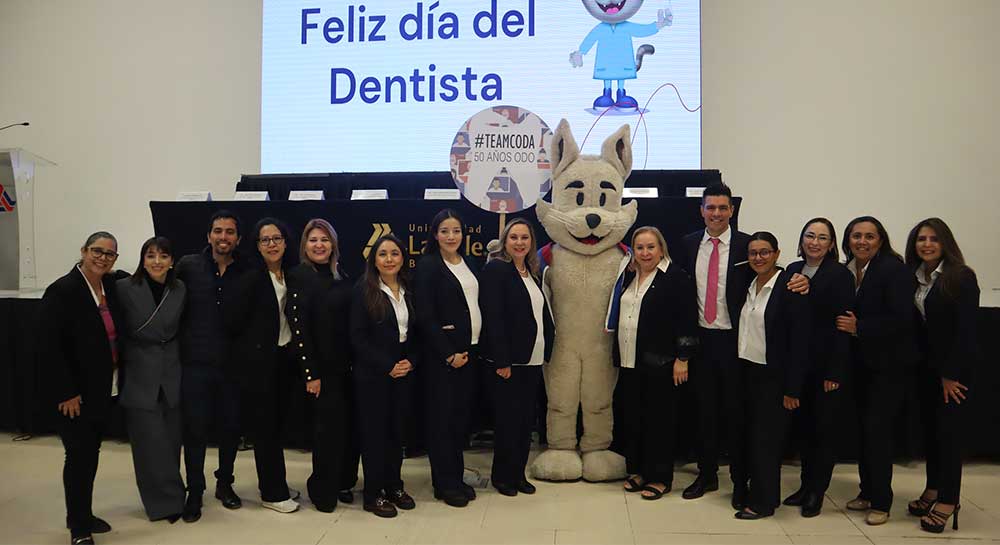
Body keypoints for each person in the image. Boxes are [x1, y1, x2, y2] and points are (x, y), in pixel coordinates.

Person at [674, 183, 808, 507]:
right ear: (701, 211)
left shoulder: (747, 246)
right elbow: (680, 291)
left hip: (736, 343)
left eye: (723, 208)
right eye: (710, 207)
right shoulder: (688, 244)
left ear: (731, 210)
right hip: (701, 341)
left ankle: (739, 481)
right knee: (704, 413)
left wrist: (801, 278)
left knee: (736, 415)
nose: (716, 213)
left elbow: (771, 272)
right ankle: (706, 474)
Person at [39, 231, 124, 545]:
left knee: (90, 454)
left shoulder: (110, 286)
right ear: (84, 251)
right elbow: (48, 347)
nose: (102, 258)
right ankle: (78, 527)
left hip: (102, 388)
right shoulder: (62, 290)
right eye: (97, 251)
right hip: (74, 395)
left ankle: (83, 514)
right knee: (78, 457)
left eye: (109, 254)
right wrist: (66, 392)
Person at [836, 216, 917, 526]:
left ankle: (881, 501)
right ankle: (867, 491)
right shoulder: (847, 270)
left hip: (887, 368)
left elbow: (902, 320)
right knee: (863, 433)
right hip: (858, 366)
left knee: (878, 435)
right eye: (856, 235)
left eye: (869, 236)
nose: (862, 241)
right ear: (848, 240)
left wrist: (860, 328)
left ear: (880, 240)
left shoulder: (894, 271)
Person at [609, 227, 697, 501]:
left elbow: (686, 319)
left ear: (661, 249)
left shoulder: (675, 278)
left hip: (662, 363)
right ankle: (639, 470)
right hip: (629, 361)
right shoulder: (629, 276)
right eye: (640, 248)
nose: (645, 253)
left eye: (651, 247)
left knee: (659, 422)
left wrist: (683, 358)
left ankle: (659, 477)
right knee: (634, 418)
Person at [904, 218, 979, 534]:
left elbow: (966, 332)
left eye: (934, 239)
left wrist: (950, 374)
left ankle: (949, 500)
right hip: (926, 369)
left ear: (945, 242)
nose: (927, 244)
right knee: (931, 433)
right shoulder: (915, 275)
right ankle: (933, 489)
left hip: (954, 372)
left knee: (949, 437)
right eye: (921, 239)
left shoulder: (961, 277)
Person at [224, 218, 304, 514]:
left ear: (286, 241)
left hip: (285, 360)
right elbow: (232, 322)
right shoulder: (249, 278)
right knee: (265, 430)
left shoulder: (291, 274)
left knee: (278, 427)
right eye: (265, 240)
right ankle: (272, 493)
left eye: (276, 238)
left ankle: (276, 482)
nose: (272, 244)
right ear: (256, 246)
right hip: (259, 366)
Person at [175, 210, 248, 522]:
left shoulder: (247, 269)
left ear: (238, 238)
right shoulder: (188, 266)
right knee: (195, 431)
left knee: (230, 429)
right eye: (218, 231)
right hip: (195, 364)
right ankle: (194, 490)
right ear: (208, 236)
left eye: (230, 232)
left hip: (232, 367)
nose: (223, 237)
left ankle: (225, 483)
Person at [732, 232, 809, 520]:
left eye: (765, 252)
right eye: (753, 253)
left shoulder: (789, 287)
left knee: (766, 442)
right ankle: (746, 491)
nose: (758, 257)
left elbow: (799, 343)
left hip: (773, 377)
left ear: (777, 254)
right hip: (746, 370)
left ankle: (764, 503)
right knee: (746, 436)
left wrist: (793, 389)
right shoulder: (747, 284)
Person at [782, 218, 854, 517]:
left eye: (822, 237)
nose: (815, 242)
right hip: (797, 365)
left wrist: (835, 371)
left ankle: (816, 492)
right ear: (802, 240)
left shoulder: (840, 275)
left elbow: (842, 326)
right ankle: (804, 485)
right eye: (810, 236)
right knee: (803, 430)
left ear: (832, 244)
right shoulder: (792, 269)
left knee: (823, 432)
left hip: (825, 367)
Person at [479, 218, 554, 497]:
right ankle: (503, 477)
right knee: (508, 423)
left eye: (524, 238)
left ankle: (518, 474)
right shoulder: (496, 269)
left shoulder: (532, 273)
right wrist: (502, 360)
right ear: (505, 241)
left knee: (524, 423)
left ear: (531, 242)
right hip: (509, 362)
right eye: (514, 238)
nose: (519, 243)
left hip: (532, 359)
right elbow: (493, 317)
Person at [413, 209, 482, 508]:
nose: (451, 236)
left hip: (471, 352)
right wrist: (448, 354)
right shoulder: (428, 266)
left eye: (455, 231)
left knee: (458, 421)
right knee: (441, 422)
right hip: (445, 358)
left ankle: (455, 477)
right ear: (435, 234)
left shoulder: (470, 262)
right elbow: (425, 316)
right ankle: (444, 484)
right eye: (444, 231)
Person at [116, 237, 187, 523]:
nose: (157, 262)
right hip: (140, 369)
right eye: (150, 256)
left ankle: (175, 497)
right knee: (147, 443)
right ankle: (159, 503)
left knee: (171, 440)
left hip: (171, 369)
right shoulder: (123, 288)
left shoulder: (179, 289)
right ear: (142, 260)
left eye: (163, 256)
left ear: (172, 261)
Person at [288, 219, 357, 512]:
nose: (319, 245)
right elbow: (299, 328)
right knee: (326, 434)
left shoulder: (342, 275)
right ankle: (323, 490)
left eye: (325, 240)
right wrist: (311, 374)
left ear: (333, 245)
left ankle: (343, 482)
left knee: (348, 432)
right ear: (305, 245)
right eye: (313, 240)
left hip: (347, 369)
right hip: (321, 372)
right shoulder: (299, 276)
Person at [349, 234, 417, 518]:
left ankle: (394, 486)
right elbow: (357, 338)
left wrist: (411, 361)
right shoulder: (363, 290)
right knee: (375, 436)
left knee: (396, 434)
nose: (389, 259)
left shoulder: (409, 288)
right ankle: (373, 494)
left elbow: (416, 332)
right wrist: (388, 365)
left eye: (394, 254)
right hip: (373, 375)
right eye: (383, 254)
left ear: (403, 258)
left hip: (404, 372)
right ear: (374, 260)